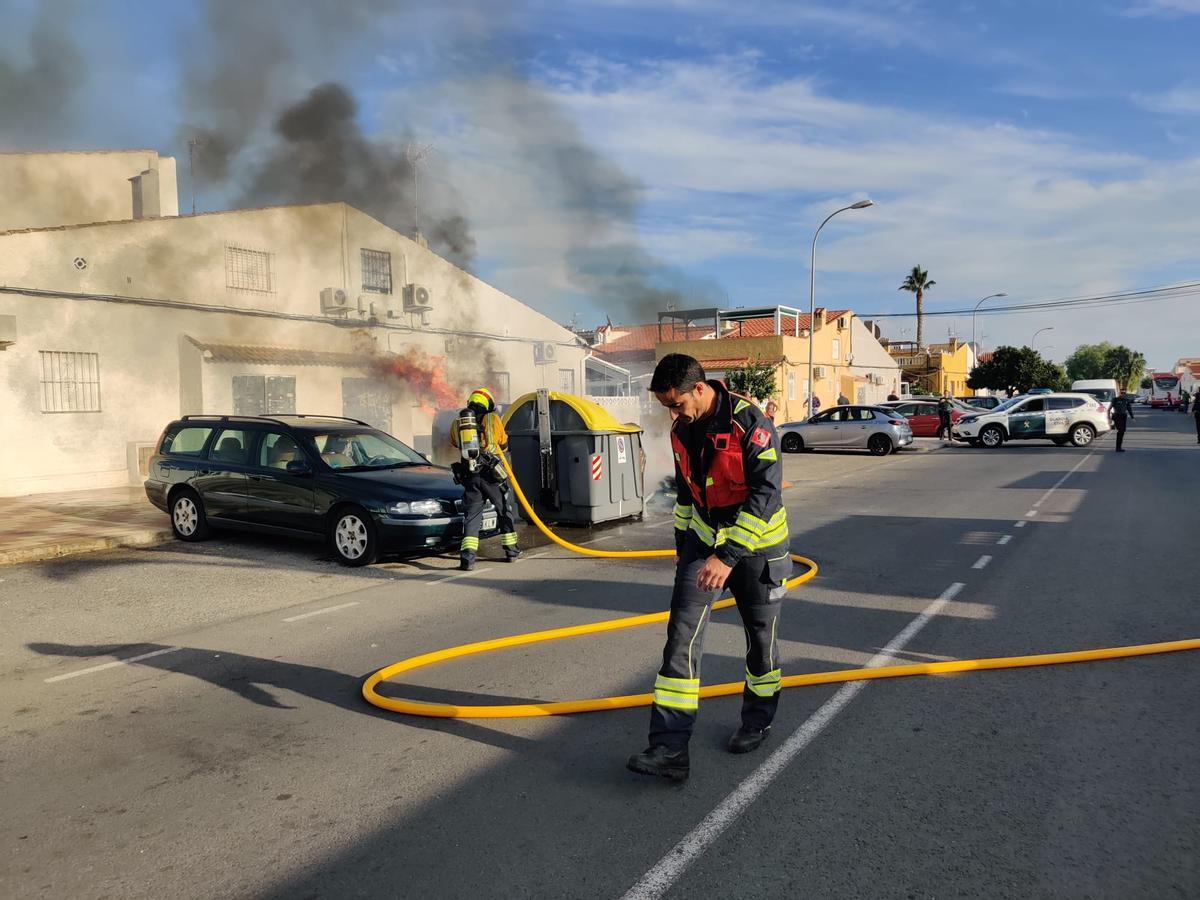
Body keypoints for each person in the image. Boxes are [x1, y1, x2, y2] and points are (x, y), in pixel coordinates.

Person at [626, 354, 790, 782]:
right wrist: (685, 547)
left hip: (757, 550)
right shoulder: (681, 431)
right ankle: (669, 748)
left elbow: (766, 494)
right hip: (704, 544)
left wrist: (729, 556)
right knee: (681, 637)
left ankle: (757, 721)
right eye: (666, 407)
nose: (672, 415)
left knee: (760, 640)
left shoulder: (749, 423)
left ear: (699, 389)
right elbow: (686, 494)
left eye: (676, 404)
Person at [449, 387, 520, 570]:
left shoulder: (459, 423)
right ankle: (511, 551)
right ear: (488, 403)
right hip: (492, 477)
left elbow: (454, 442)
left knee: (472, 518)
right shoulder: (493, 419)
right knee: (504, 511)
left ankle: (467, 559)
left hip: (471, 477)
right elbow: (503, 444)